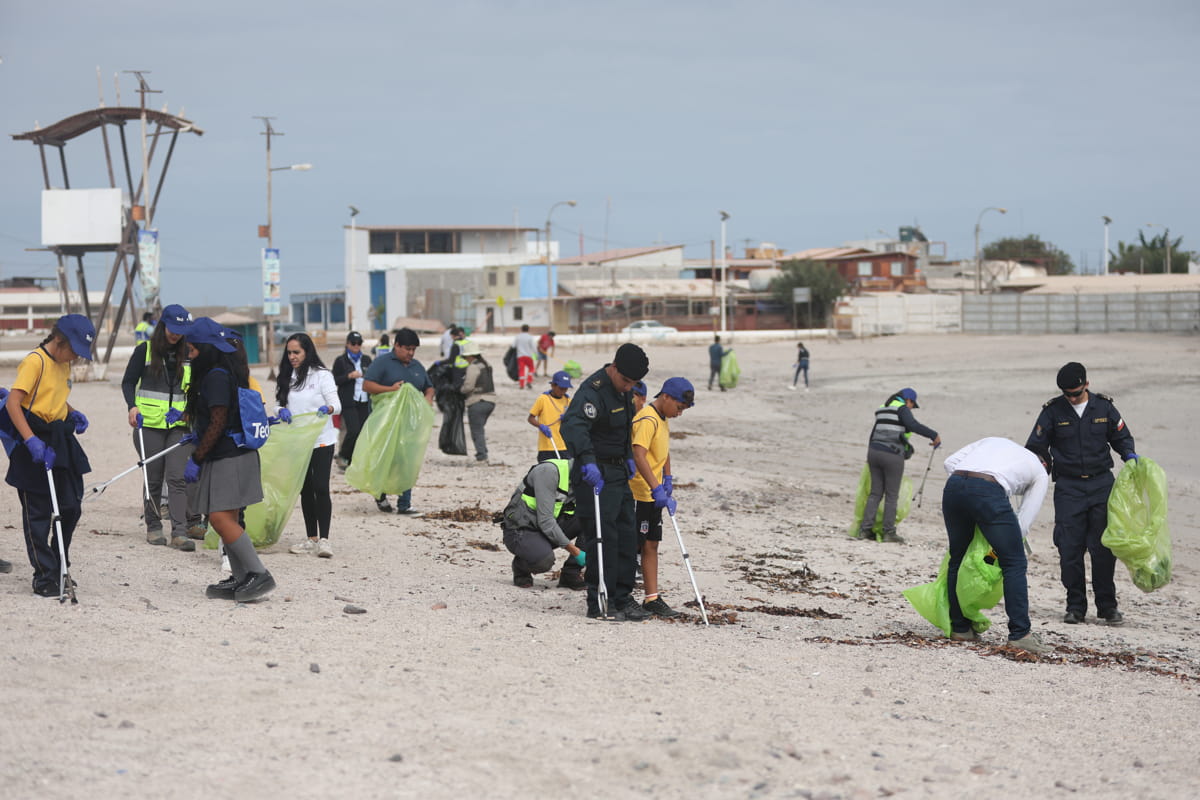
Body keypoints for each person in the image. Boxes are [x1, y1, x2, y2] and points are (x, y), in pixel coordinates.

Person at [1025, 362, 1137, 626]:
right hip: (1068, 488)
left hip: (1101, 486)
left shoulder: (1104, 407)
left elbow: (1122, 438)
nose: (1072, 398)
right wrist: (1040, 465)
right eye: (1067, 394)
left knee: (1103, 549)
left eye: (1076, 392)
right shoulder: (1052, 412)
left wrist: (1130, 456)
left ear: (1087, 384)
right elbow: (1036, 447)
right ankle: (1075, 606)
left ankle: (1107, 607)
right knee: (1069, 549)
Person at [183, 318, 275, 602]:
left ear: (206, 348)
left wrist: (197, 455)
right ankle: (240, 577)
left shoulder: (217, 376)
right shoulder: (221, 372)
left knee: (220, 518)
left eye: (193, 350)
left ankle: (258, 574)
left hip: (229, 457)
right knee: (229, 518)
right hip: (228, 454)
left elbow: (219, 421)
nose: (189, 355)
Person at [3, 314, 95, 597]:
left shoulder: (64, 363)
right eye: (75, 350)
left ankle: (59, 563)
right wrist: (30, 441)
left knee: (71, 506)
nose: (76, 357)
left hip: (59, 439)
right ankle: (44, 575)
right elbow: (13, 402)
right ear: (59, 340)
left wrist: (71, 411)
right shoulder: (36, 362)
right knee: (38, 513)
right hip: (33, 440)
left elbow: (53, 396)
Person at [561, 342, 652, 621]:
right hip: (595, 473)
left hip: (618, 473)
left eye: (633, 383)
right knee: (604, 538)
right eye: (625, 380)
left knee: (627, 535)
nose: (628, 387)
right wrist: (587, 461)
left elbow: (624, 429)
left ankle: (623, 597)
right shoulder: (593, 391)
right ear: (613, 368)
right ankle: (599, 600)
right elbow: (573, 426)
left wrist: (627, 456)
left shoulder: (624, 392)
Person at [941, 437, 1052, 654]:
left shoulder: (996, 442)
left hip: (954, 486)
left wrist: (968, 492)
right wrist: (995, 551)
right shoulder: (1039, 471)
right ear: (1046, 464)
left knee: (958, 557)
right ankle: (1020, 634)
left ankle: (960, 628)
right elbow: (1023, 522)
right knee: (1015, 563)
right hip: (988, 491)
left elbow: (949, 462)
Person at [120, 303, 198, 551]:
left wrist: (189, 412)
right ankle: (154, 526)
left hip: (179, 425)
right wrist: (132, 406)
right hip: (149, 425)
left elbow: (195, 389)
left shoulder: (189, 354)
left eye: (180, 330)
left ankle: (180, 532)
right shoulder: (144, 350)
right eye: (172, 328)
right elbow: (128, 382)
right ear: (162, 325)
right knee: (152, 478)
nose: (176, 334)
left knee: (176, 477)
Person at [630, 377, 694, 617]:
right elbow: (639, 455)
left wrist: (668, 478)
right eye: (679, 408)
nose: (679, 414)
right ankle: (622, 595)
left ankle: (651, 597)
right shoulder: (647, 419)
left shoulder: (662, 418)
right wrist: (655, 487)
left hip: (653, 492)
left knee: (651, 542)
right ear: (666, 397)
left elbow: (663, 450)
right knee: (634, 543)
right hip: (639, 491)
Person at [276, 333, 341, 558]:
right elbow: (279, 404)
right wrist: (280, 410)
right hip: (297, 442)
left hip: (322, 439)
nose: (292, 357)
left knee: (321, 488)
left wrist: (329, 410)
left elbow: (336, 404)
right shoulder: (286, 376)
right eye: (289, 352)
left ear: (307, 352)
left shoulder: (322, 375)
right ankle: (311, 538)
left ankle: (325, 540)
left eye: (297, 352)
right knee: (305, 489)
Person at [362, 327, 435, 515]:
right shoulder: (382, 363)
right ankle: (380, 494)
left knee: (408, 461)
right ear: (397, 345)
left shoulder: (417, 366)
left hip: (409, 426)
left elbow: (429, 387)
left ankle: (405, 504)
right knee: (385, 460)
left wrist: (428, 399)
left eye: (414, 350)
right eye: (407, 349)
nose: (411, 353)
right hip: (385, 425)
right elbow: (367, 385)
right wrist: (390, 389)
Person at [859, 388, 941, 543]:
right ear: (908, 400)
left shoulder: (883, 408)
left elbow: (873, 433)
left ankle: (865, 530)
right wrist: (933, 435)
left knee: (875, 493)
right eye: (912, 405)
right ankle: (889, 532)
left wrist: (869, 456)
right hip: (891, 455)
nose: (911, 408)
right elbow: (913, 425)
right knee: (891, 494)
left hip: (873, 452)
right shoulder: (902, 409)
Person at [500, 458, 586, 589]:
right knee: (544, 561)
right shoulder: (548, 472)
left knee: (595, 522)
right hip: (520, 529)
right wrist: (576, 552)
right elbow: (546, 521)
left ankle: (570, 574)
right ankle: (521, 566)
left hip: (546, 528)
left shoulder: (586, 482)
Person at [332, 331, 372, 470]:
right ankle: (343, 455)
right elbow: (334, 380)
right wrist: (349, 376)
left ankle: (354, 458)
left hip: (364, 400)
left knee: (362, 431)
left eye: (359, 343)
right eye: (353, 343)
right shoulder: (341, 361)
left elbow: (373, 376)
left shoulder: (366, 360)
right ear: (347, 344)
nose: (356, 346)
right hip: (348, 400)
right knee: (353, 430)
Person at [458, 339, 496, 463]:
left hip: (477, 401)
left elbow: (468, 386)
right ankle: (483, 452)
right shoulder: (487, 365)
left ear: (469, 356)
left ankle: (482, 455)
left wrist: (460, 390)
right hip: (491, 401)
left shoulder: (473, 367)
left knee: (477, 430)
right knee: (480, 428)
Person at [528, 371, 572, 462]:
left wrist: (568, 418)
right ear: (553, 386)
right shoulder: (543, 399)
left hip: (564, 445)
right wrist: (540, 426)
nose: (563, 391)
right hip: (547, 446)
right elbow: (531, 418)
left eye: (565, 389)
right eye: (561, 388)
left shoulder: (568, 400)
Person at [513, 324, 537, 389]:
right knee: (531, 368)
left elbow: (513, 346)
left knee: (521, 370)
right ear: (528, 329)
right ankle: (529, 380)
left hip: (520, 356)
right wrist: (536, 355)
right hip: (529, 356)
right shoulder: (530, 337)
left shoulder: (518, 337)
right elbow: (534, 347)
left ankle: (521, 385)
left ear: (521, 329)